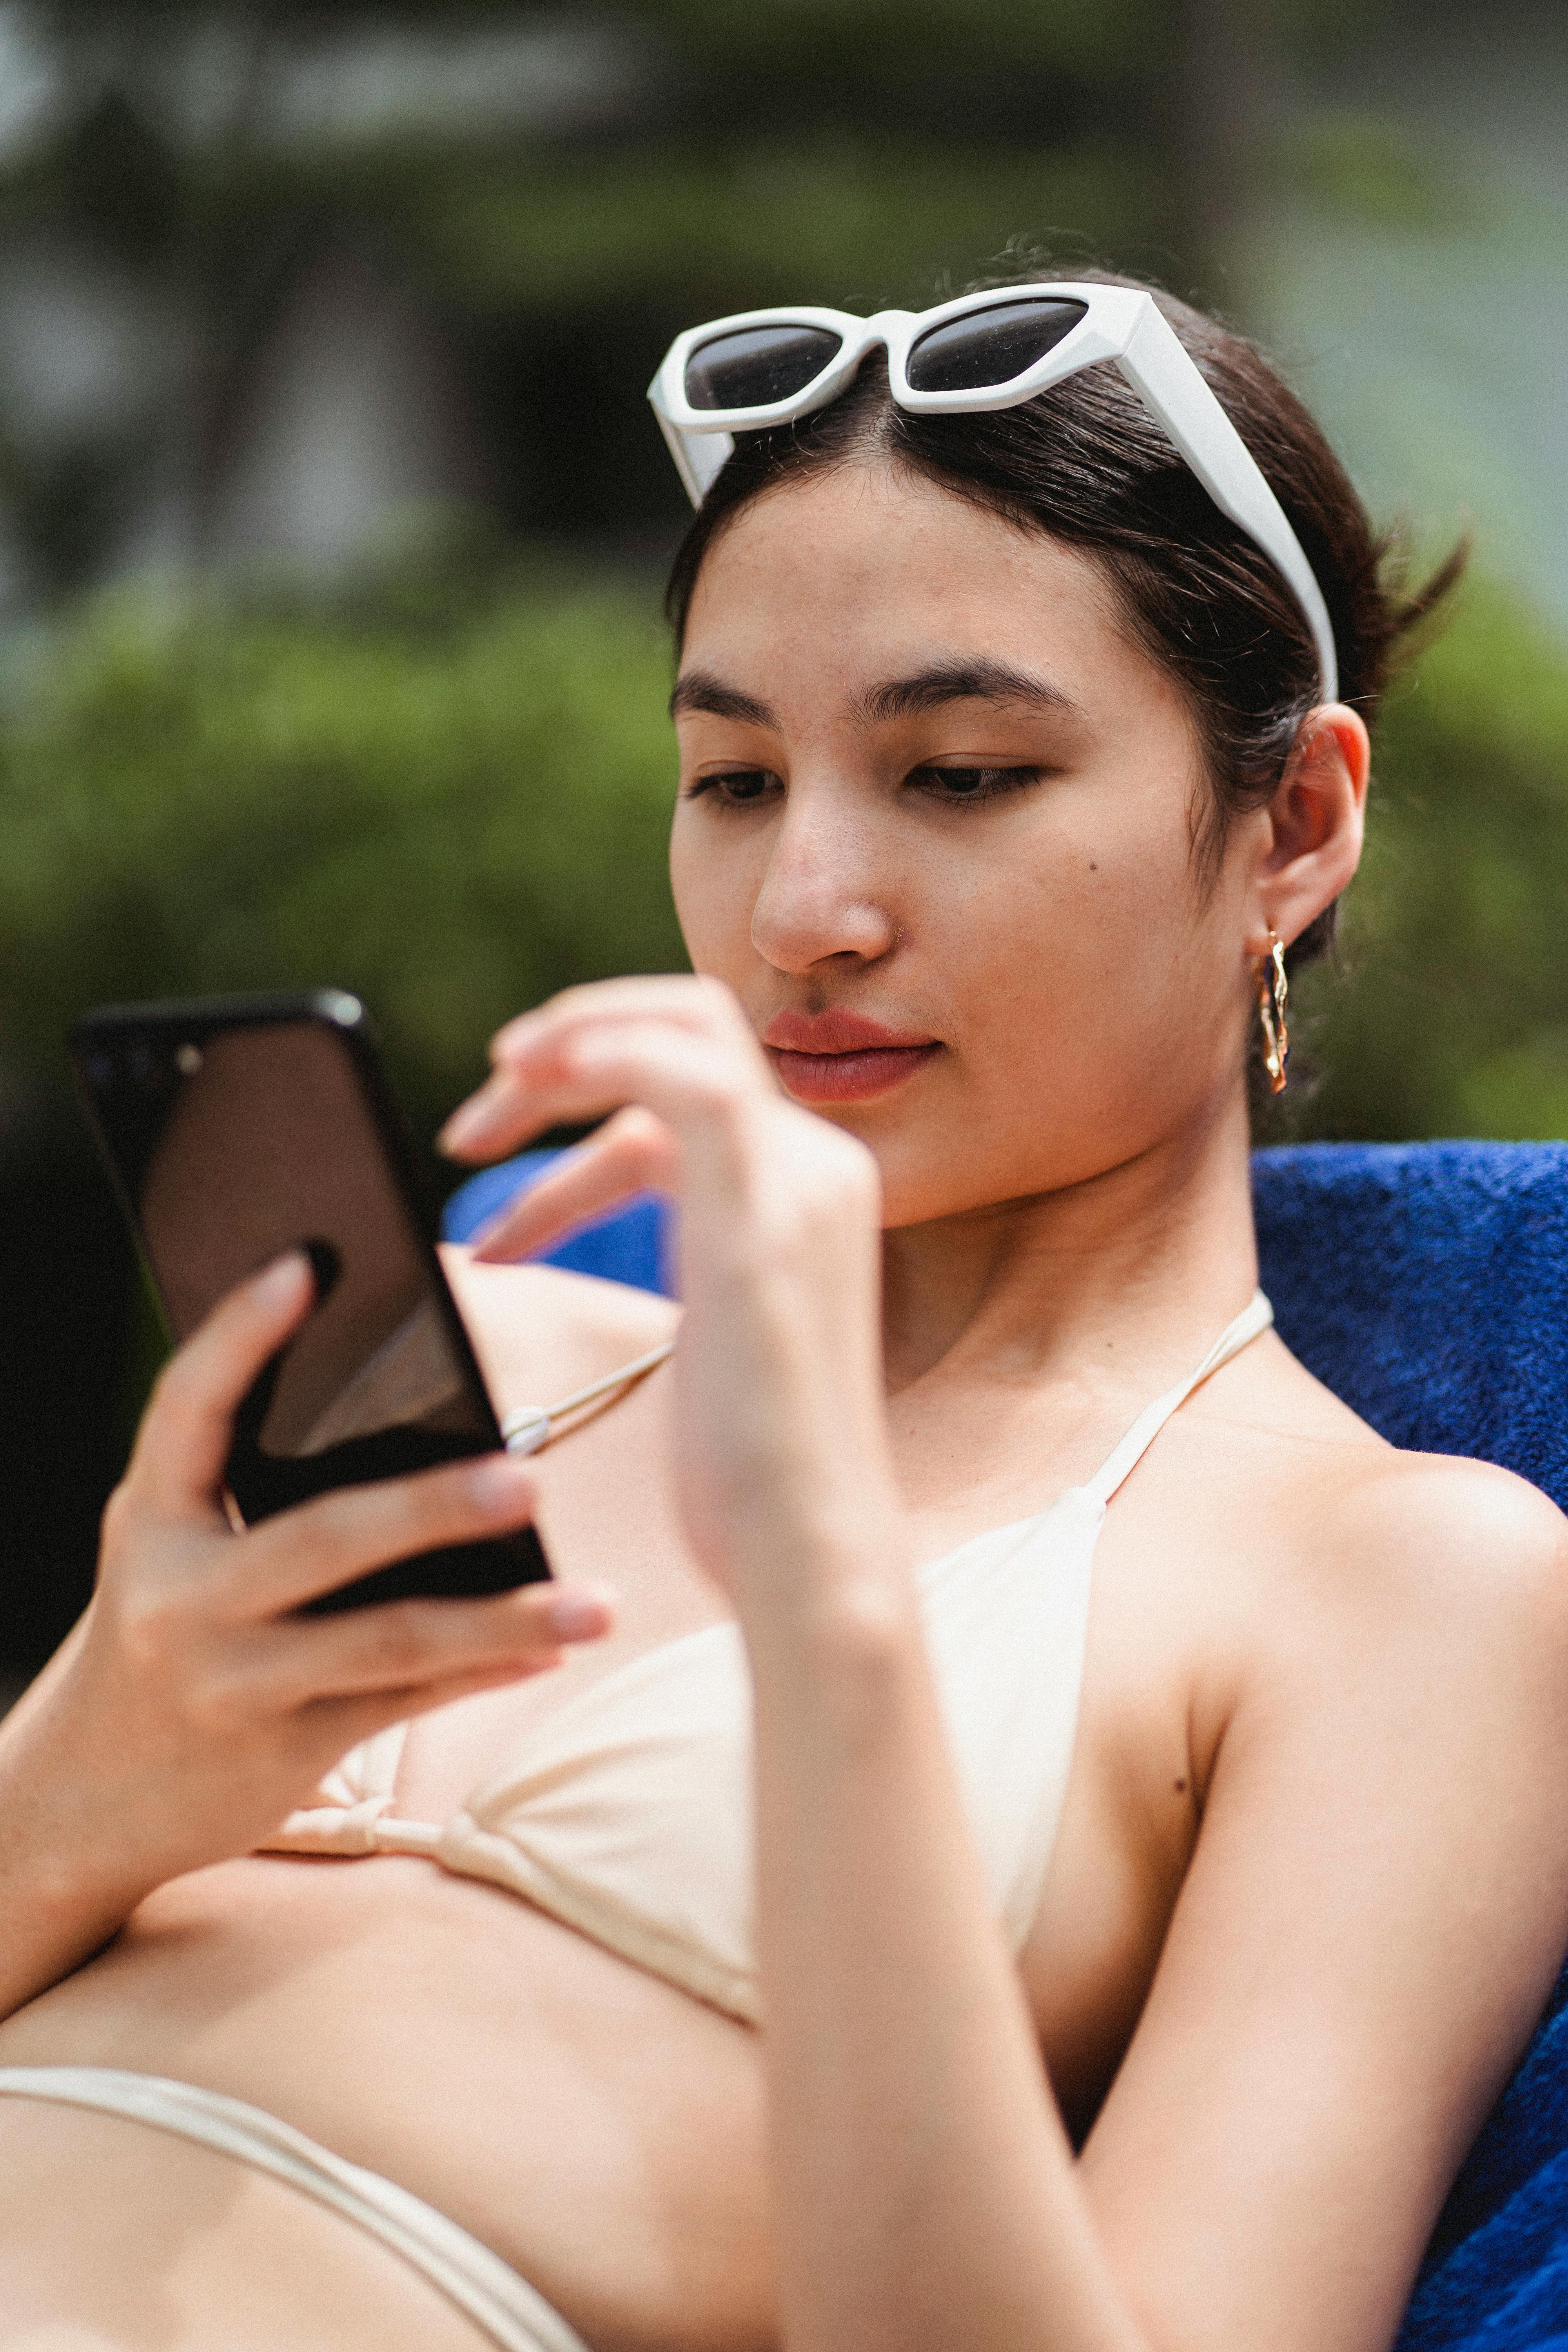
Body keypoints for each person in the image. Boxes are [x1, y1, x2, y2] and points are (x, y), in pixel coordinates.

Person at [0, 267, 1565, 2352]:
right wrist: (105, 1753)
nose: (804, 916)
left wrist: (826, 1607)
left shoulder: (1396, 1591)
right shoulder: (483, 1341)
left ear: (1292, 826)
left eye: (966, 775)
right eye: (735, 783)